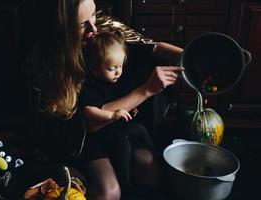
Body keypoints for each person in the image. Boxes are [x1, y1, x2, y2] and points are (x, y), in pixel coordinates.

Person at [22, 0, 183, 199]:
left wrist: (188, 56)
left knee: (149, 167)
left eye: (94, 14)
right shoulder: (52, 66)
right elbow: (88, 124)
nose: (94, 27)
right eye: (82, 24)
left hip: (114, 125)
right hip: (76, 139)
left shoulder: (97, 28)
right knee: (110, 191)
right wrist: (146, 90)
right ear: (62, 30)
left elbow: (148, 47)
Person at [79, 30, 158, 195]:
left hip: (119, 129)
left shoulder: (119, 79)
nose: (118, 72)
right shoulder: (91, 86)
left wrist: (130, 108)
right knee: (123, 147)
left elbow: (126, 100)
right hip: (100, 135)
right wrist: (112, 115)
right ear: (94, 69)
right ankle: (126, 186)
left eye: (120, 66)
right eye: (112, 68)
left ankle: (157, 158)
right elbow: (89, 111)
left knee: (140, 134)